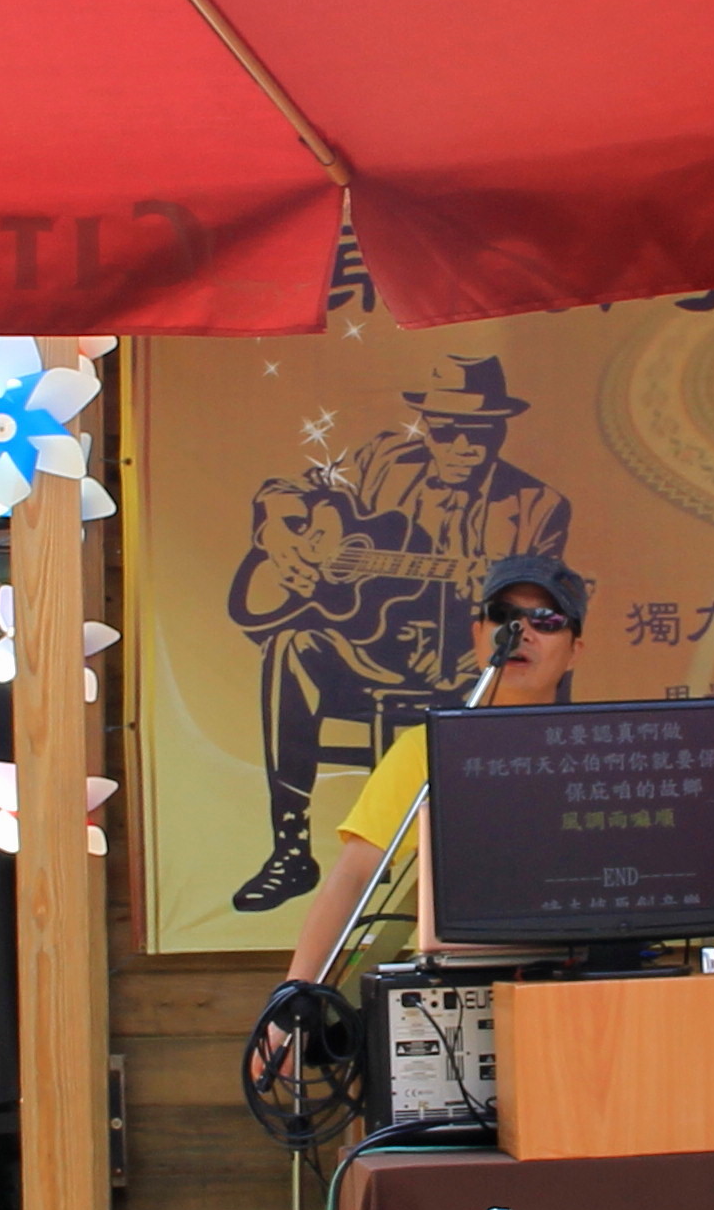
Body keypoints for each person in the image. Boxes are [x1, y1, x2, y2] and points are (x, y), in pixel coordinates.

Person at [224, 355, 573, 911]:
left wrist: (481, 595)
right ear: (427, 425)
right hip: (373, 653)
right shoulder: (383, 461)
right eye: (445, 429)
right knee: (292, 645)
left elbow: (538, 601)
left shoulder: (536, 505)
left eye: (479, 432)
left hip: (469, 670)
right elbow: (294, 488)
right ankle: (290, 847)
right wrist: (278, 526)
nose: (462, 445)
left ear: (501, 430)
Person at [247, 561, 590, 1091]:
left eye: (545, 620)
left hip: (578, 1000)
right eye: (504, 616)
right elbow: (356, 877)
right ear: (479, 634)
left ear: (575, 648)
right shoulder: (425, 750)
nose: (520, 632)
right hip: (445, 1005)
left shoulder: (601, 752)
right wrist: (293, 999)